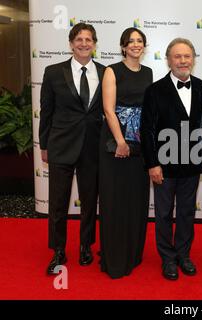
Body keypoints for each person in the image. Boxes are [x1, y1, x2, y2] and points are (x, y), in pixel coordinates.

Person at [39, 23, 105, 275]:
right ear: (71, 43)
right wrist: (44, 144)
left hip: (92, 146)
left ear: (94, 44)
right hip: (61, 144)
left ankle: (86, 246)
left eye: (89, 39)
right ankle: (58, 250)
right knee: (58, 202)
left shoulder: (104, 71)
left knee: (90, 201)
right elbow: (46, 111)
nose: (84, 43)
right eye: (79, 39)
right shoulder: (54, 72)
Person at [142, 38, 202, 280]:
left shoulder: (201, 87)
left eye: (187, 56)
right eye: (177, 56)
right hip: (163, 165)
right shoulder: (155, 90)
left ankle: (183, 254)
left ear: (193, 59)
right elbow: (147, 130)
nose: (183, 61)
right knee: (162, 213)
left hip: (191, 163)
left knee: (186, 212)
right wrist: (152, 163)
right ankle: (167, 258)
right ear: (169, 60)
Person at [98, 28, 152, 279]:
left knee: (136, 198)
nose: (135, 45)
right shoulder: (112, 71)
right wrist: (121, 142)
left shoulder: (149, 72)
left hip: (140, 145)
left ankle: (133, 252)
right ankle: (116, 256)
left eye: (139, 41)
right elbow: (109, 110)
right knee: (116, 199)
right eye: (130, 42)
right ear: (122, 46)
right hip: (116, 144)